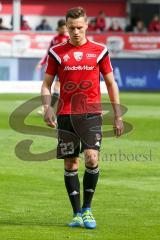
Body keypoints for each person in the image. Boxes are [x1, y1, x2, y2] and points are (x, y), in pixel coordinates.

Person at [41, 7, 124, 229]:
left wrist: (117, 115)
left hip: (91, 113)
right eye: (71, 28)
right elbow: (47, 84)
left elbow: (110, 83)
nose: (76, 32)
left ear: (86, 25)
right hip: (66, 114)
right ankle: (77, 213)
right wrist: (47, 107)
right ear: (66, 27)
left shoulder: (99, 50)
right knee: (71, 162)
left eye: (79, 27)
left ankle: (87, 209)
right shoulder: (57, 52)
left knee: (91, 158)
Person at [37, 19, 69, 115]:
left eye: (65, 27)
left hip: (64, 66)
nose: (64, 29)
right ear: (58, 28)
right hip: (54, 65)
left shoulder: (68, 38)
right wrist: (41, 63)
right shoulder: (54, 39)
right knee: (51, 86)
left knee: (57, 87)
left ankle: (50, 108)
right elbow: (48, 53)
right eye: (62, 28)